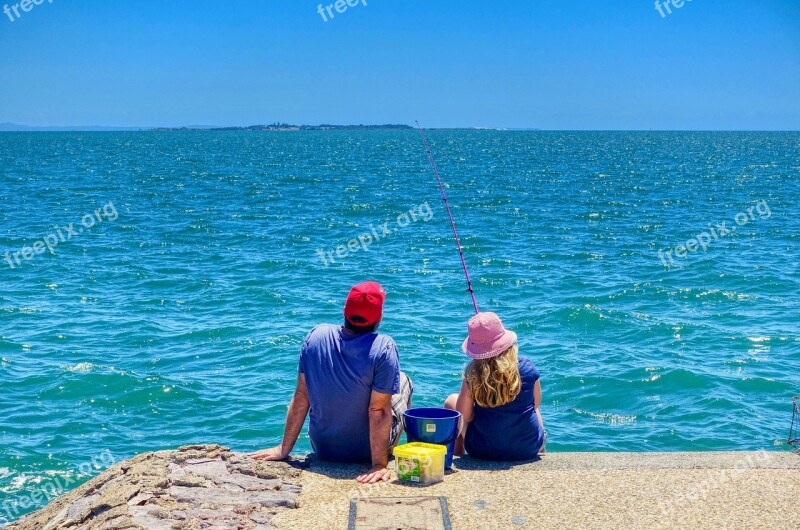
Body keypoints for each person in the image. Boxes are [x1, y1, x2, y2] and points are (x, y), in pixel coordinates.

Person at [249, 281, 413, 484]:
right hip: (365, 454)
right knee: (404, 380)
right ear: (379, 317)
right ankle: (398, 456)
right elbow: (377, 411)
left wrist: (284, 449)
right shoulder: (384, 347)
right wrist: (378, 464)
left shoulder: (316, 335)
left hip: (324, 448)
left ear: (345, 310)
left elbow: (302, 395)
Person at [444, 312, 545, 460]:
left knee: (451, 401)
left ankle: (458, 454)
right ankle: (541, 451)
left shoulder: (473, 374)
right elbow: (536, 402)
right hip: (527, 448)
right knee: (533, 409)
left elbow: (464, 415)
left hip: (481, 449)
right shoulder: (526, 366)